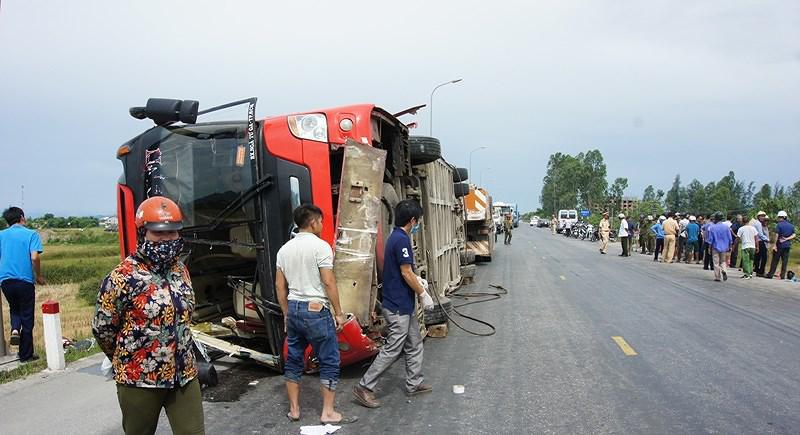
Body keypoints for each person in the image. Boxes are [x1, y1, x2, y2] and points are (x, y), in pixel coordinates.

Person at [92, 197, 205, 435]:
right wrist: (130, 357)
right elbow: (103, 328)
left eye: (172, 233)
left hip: (184, 375)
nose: (166, 239)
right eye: (158, 233)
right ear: (143, 233)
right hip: (139, 378)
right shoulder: (122, 277)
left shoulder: (180, 270)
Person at [353, 200, 434, 409]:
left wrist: (418, 281)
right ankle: (365, 386)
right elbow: (406, 272)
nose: (417, 225)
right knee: (393, 349)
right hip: (397, 306)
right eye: (418, 221)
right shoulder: (401, 240)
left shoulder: (397, 237)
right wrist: (422, 292)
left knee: (415, 343)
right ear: (413, 220)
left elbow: (406, 271)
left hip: (403, 304)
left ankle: (413, 383)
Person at [275, 204, 352, 424]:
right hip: (316, 309)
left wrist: (286, 314)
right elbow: (328, 281)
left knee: (293, 360)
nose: (322, 225)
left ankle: (294, 410)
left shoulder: (284, 250)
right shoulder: (321, 247)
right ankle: (327, 412)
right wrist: (339, 313)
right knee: (329, 360)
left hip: (294, 309)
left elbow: (280, 287)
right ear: (313, 222)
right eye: (321, 221)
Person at [0, 207, 45, 363]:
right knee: (27, 316)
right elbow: (34, 258)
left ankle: (14, 329)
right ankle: (26, 355)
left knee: (15, 308)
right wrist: (38, 275)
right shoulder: (31, 234)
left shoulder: (1, 235)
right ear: (21, 217)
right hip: (24, 280)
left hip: (5, 281)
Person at [765, 211, 796, 280]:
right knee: (784, 261)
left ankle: (770, 274)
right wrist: (787, 239)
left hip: (779, 246)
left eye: (779, 217)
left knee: (775, 261)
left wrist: (775, 245)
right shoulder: (791, 225)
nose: (778, 219)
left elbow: (777, 235)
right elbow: (794, 235)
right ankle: (782, 276)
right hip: (787, 246)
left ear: (781, 217)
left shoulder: (779, 225)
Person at [706, 212, 733, 282]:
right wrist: (730, 246)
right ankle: (724, 270)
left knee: (716, 262)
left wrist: (709, 247)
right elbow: (730, 238)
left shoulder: (712, 227)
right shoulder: (726, 227)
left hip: (715, 247)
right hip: (724, 247)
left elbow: (710, 239)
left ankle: (718, 277)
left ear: (716, 219)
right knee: (723, 261)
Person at [736, 215, 758, 279]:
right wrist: (757, 247)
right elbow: (756, 238)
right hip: (752, 246)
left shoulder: (741, 229)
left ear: (742, 221)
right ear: (748, 221)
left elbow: (737, 239)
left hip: (745, 246)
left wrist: (734, 246)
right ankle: (750, 273)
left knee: (745, 260)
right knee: (751, 260)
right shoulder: (753, 228)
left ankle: (747, 274)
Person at [753, 211, 770, 277]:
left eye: (763, 216)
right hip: (760, 241)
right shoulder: (758, 224)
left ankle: (757, 270)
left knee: (758, 256)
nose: (763, 217)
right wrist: (767, 239)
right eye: (761, 216)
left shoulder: (757, 223)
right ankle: (761, 271)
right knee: (764, 257)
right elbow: (760, 234)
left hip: (758, 241)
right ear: (758, 216)